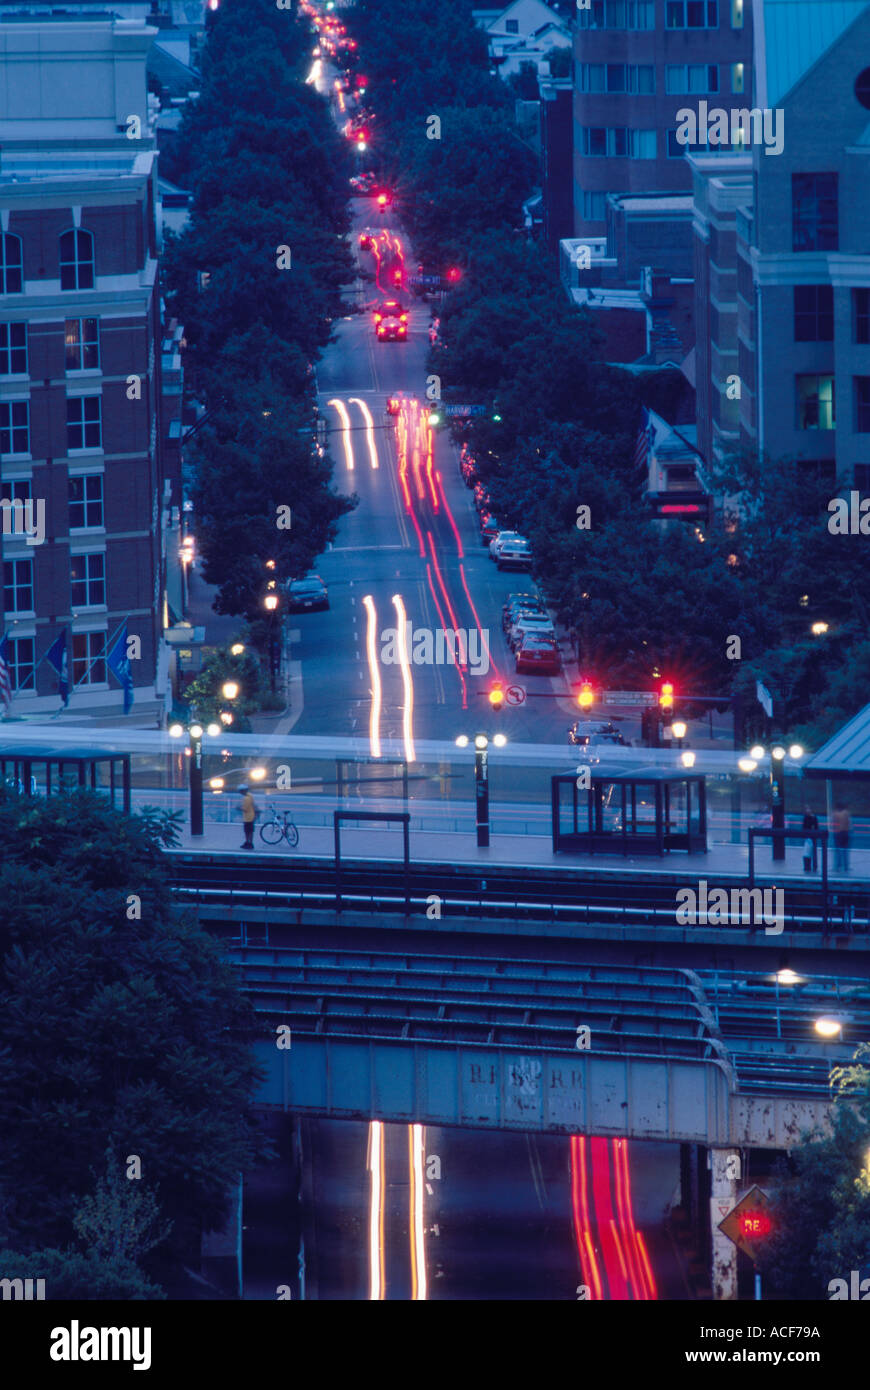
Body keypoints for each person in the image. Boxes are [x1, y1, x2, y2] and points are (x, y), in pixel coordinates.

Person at [831, 803, 851, 873]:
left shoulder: (835, 814)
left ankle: (838, 866)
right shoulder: (846, 813)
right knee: (845, 851)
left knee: (838, 851)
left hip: (838, 833)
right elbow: (849, 823)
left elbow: (833, 823)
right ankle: (846, 867)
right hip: (845, 833)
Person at [239, 784, 258, 850]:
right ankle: (248, 842)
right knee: (250, 831)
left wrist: (238, 808)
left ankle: (250, 843)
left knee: (247, 831)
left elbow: (245, 809)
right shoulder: (250, 795)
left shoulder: (246, 798)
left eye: (240, 791)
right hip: (251, 816)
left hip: (248, 817)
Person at [801, 805, 819, 873]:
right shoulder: (806, 818)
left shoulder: (814, 818)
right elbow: (804, 827)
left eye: (808, 809)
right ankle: (807, 867)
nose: (807, 811)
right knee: (807, 852)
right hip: (808, 838)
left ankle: (813, 866)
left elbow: (816, 827)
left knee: (811, 852)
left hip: (812, 837)